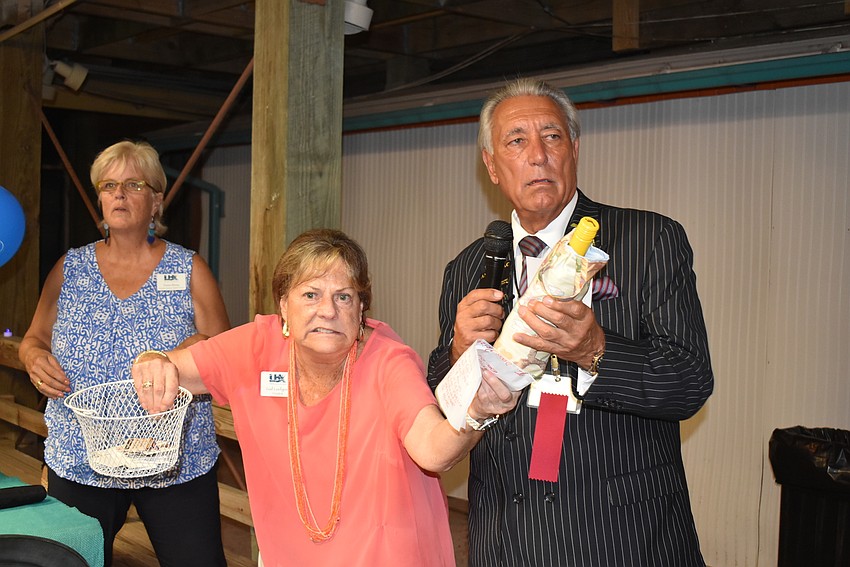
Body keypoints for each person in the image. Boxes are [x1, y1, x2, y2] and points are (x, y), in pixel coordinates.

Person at [427, 77, 714, 566]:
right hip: (504, 539)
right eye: (516, 140)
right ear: (492, 166)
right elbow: (441, 392)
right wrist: (457, 353)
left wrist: (595, 350)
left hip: (619, 537)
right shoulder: (468, 267)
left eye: (552, 136)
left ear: (574, 149)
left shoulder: (648, 241)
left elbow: (689, 384)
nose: (538, 154)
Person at [131, 228, 519, 566]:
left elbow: (434, 450)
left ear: (362, 307)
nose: (328, 311)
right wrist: (153, 359)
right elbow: (172, 366)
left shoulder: (388, 360)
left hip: (386, 555)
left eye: (344, 297)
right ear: (283, 304)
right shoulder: (255, 347)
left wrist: (475, 414)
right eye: (311, 295)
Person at [19, 140, 231, 567]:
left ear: (156, 200)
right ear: (99, 197)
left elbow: (222, 347)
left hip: (175, 459)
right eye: (109, 184)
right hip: (81, 458)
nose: (118, 193)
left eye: (133, 184)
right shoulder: (70, 269)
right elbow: (33, 338)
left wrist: (176, 353)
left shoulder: (190, 269)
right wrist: (32, 358)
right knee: (70, 563)